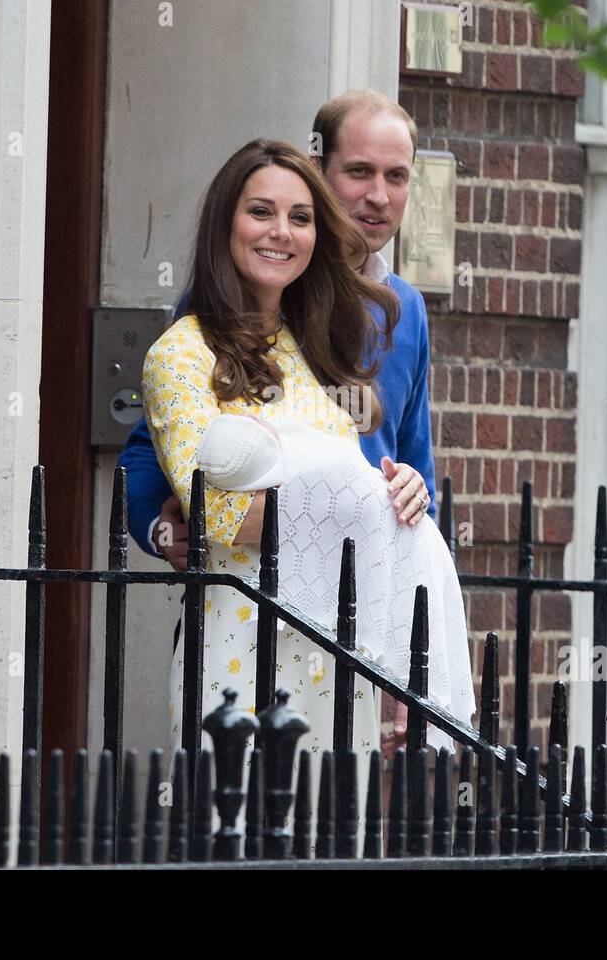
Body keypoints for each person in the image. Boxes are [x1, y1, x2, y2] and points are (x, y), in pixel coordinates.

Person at [139, 139, 474, 784]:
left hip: (334, 654)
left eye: (300, 218)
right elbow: (226, 518)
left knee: (334, 846)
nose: (281, 232)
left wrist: (400, 489)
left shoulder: (311, 350)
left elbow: (348, 480)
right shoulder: (181, 355)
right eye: (261, 211)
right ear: (224, 224)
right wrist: (362, 504)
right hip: (241, 650)